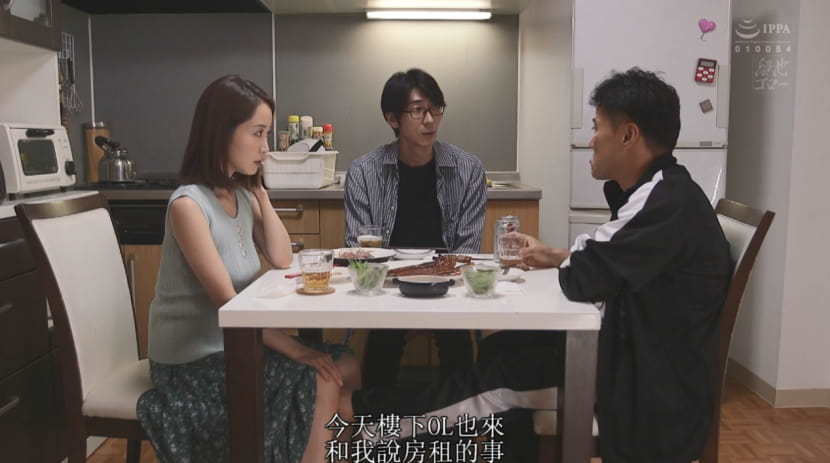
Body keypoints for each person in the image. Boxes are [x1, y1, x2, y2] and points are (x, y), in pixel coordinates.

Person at [136, 75, 360, 463]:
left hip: (239, 345)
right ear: (221, 132)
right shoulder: (189, 206)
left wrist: (260, 191)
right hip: (193, 362)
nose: (266, 148)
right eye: (257, 133)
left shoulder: (240, 194)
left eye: (267, 134)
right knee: (322, 378)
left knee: (347, 366)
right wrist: (298, 351)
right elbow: (231, 308)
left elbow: (281, 256)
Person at [515, 68, 733, 462]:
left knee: (499, 373)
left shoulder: (665, 200)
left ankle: (391, 431)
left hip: (647, 399)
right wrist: (558, 256)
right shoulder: (664, 190)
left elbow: (584, 278)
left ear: (629, 135)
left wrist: (568, 261)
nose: (591, 140)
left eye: (597, 127)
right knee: (508, 352)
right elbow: (611, 260)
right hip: (638, 369)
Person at [344, 68, 486, 387]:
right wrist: (395, 278)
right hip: (387, 282)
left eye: (436, 109)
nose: (430, 120)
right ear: (392, 118)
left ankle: (460, 415)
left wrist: (438, 277)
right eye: (418, 111)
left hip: (448, 280)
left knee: (458, 343)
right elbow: (358, 249)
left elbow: (468, 248)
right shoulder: (364, 171)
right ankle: (376, 414)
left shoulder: (468, 169)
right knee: (383, 340)